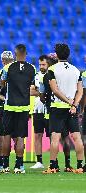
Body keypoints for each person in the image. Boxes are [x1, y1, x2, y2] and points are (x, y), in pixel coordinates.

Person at [43, 44, 84, 174]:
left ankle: (53, 166)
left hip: (57, 107)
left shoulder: (52, 69)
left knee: (55, 138)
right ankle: (79, 166)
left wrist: (67, 102)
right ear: (68, 54)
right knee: (77, 137)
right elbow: (80, 91)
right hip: (72, 108)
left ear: (57, 55)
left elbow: (55, 90)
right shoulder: (76, 70)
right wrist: (74, 105)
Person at [1, 44, 36, 174]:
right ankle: (19, 165)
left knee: (7, 135)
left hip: (9, 105)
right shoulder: (32, 68)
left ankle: (5, 165)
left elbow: (2, 83)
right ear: (26, 54)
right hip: (24, 106)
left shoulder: (8, 67)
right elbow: (34, 87)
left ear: (15, 54)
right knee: (20, 136)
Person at [38, 53, 74, 172]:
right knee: (65, 138)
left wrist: (45, 97)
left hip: (53, 110)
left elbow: (42, 96)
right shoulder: (67, 74)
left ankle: (54, 164)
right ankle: (68, 164)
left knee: (53, 138)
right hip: (67, 108)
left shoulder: (47, 75)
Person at [0, 51, 14, 172]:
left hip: (2, 107)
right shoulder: (18, 74)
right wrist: (10, 100)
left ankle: (1, 164)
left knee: (2, 138)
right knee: (16, 138)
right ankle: (15, 164)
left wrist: (5, 99)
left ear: (2, 61)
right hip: (12, 108)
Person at [30, 55, 49, 169]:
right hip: (37, 108)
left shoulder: (51, 75)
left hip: (49, 109)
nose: (41, 66)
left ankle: (53, 161)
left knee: (53, 135)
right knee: (37, 135)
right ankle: (39, 161)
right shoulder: (36, 76)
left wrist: (38, 91)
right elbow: (30, 91)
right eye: (40, 64)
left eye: (43, 64)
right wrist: (43, 92)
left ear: (48, 64)